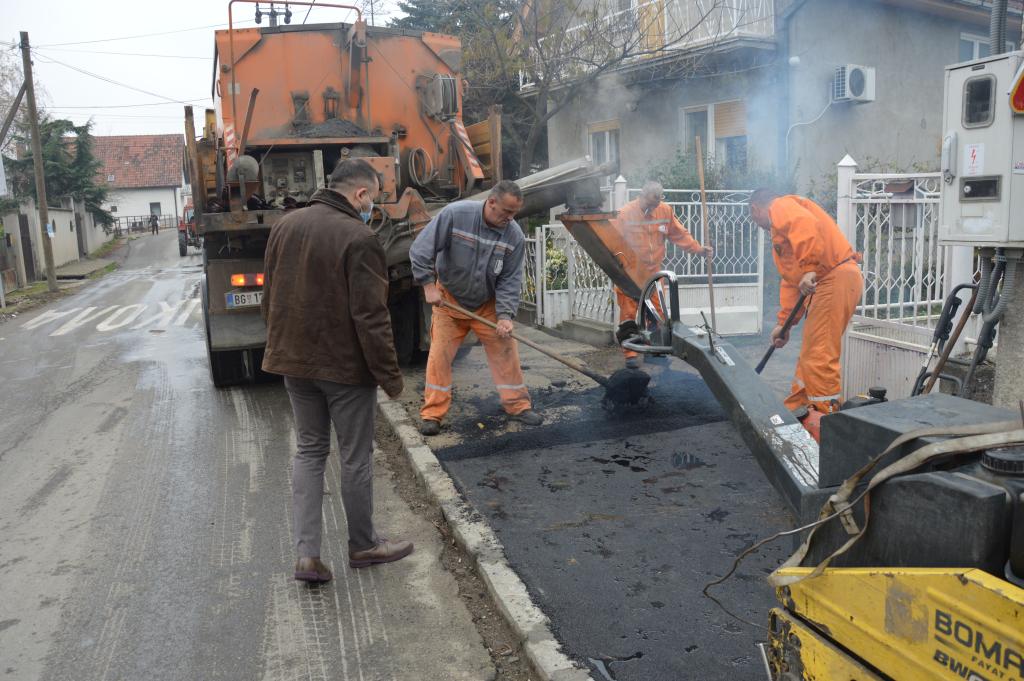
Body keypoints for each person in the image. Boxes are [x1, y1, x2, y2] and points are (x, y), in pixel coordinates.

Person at [262, 159, 413, 583]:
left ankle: (307, 556)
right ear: (361, 194)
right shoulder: (360, 237)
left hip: (293, 361)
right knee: (355, 455)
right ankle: (363, 545)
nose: (375, 207)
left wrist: (280, 345)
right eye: (375, 198)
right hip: (343, 368)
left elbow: (270, 295)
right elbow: (371, 316)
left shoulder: (284, 226)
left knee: (309, 451)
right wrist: (390, 376)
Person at [410, 180, 543, 436]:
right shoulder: (456, 214)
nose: (510, 218)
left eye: (514, 213)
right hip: (449, 300)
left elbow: (510, 279)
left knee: (506, 351)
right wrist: (428, 285)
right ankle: (433, 415)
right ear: (491, 202)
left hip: (486, 304)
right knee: (439, 357)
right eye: (506, 211)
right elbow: (421, 249)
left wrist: (505, 316)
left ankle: (517, 406)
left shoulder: (513, 235)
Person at [748, 188, 863, 417]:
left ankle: (824, 419)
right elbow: (792, 282)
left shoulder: (779, 206)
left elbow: (806, 225)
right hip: (832, 279)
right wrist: (785, 325)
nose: (759, 225)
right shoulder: (781, 235)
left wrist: (810, 268)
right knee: (810, 353)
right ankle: (798, 409)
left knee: (819, 355)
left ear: (755, 209)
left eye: (755, 220)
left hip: (833, 277)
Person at [613, 181, 712, 368]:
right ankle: (631, 354)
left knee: (658, 314)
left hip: (653, 273)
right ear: (643, 195)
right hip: (630, 273)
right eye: (654, 199)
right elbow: (613, 242)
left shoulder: (664, 211)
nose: (658, 203)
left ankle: (655, 350)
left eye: (660, 199)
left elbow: (679, 234)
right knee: (628, 313)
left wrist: (698, 250)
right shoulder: (625, 214)